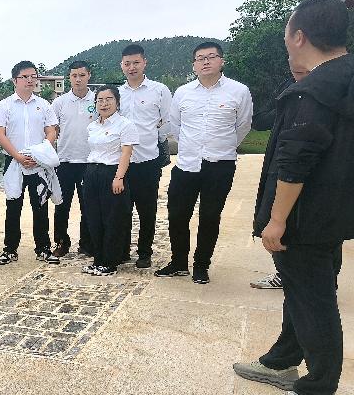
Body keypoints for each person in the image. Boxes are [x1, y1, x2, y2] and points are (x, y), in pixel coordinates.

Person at [234, 0, 353, 395]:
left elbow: (296, 162)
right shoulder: (344, 77)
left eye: (287, 31)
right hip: (330, 213)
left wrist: (277, 220)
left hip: (304, 218)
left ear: (299, 36)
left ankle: (318, 391)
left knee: (313, 300)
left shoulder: (315, 91)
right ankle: (283, 359)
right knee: (304, 291)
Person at [155, 42, 253, 284]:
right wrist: (191, 147)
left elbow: (243, 126)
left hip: (220, 165)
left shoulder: (239, 91)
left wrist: (223, 146)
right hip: (186, 164)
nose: (206, 62)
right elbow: (175, 126)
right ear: (194, 65)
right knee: (177, 215)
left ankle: (201, 265)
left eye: (211, 57)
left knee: (210, 216)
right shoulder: (183, 92)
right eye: (200, 58)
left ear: (221, 61)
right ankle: (179, 262)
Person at [0, 61, 59, 266]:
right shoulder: (5, 105)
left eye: (33, 76)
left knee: (40, 205)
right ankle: (10, 249)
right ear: (15, 80)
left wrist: (40, 153)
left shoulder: (44, 105)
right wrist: (18, 156)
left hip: (38, 162)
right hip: (14, 161)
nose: (30, 80)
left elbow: (51, 131)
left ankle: (43, 248)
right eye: (25, 76)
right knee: (13, 206)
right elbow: (0, 134)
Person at [250, 60, 308, 291]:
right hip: (280, 164)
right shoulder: (287, 87)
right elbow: (260, 119)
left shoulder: (328, 89)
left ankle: (325, 279)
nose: (297, 67)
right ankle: (284, 273)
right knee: (273, 219)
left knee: (316, 228)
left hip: (316, 170)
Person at [118, 44, 173, 268]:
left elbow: (167, 122)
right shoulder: (117, 93)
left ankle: (144, 252)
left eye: (136, 63)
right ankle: (122, 251)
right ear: (122, 65)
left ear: (144, 63)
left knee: (147, 210)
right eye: (127, 63)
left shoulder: (159, 90)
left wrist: (153, 139)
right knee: (122, 209)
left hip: (148, 161)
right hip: (121, 163)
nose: (132, 67)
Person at [80, 86, 137, 276]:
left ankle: (110, 262)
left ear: (117, 102)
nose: (104, 104)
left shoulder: (125, 125)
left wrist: (119, 177)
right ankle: (98, 259)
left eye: (109, 99)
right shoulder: (92, 126)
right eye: (100, 100)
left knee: (113, 219)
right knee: (93, 218)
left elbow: (126, 153)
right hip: (92, 172)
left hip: (112, 173)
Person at [50, 61, 96, 258]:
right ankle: (62, 242)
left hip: (90, 161)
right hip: (65, 161)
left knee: (89, 205)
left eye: (82, 75)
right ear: (69, 77)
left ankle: (87, 243)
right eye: (74, 76)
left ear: (89, 76)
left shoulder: (97, 100)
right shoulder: (59, 103)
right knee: (62, 204)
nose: (78, 79)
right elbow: (52, 131)